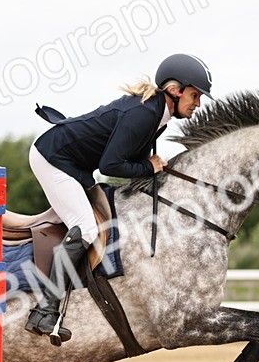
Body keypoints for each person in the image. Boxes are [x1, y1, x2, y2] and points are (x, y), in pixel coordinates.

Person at [25, 53, 213, 341]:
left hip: (76, 164)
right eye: (195, 95)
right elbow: (111, 166)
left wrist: (148, 169)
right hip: (53, 159)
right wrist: (148, 167)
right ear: (175, 91)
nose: (197, 104)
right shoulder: (144, 113)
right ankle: (45, 309)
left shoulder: (157, 115)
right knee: (86, 228)